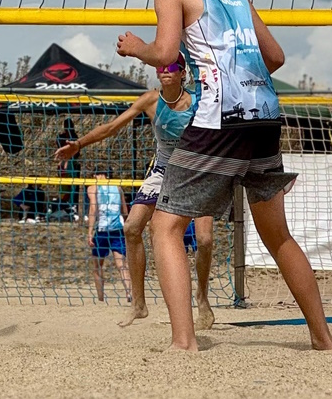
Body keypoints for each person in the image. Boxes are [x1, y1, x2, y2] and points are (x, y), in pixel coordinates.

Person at [116, 0, 332, 352]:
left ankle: (183, 342)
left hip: (221, 117)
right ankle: (323, 339)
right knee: (278, 235)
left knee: (165, 227)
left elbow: (165, 54)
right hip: (266, 114)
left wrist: (136, 47)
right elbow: (275, 57)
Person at [56, 53, 216, 329]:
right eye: (161, 66)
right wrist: (78, 144)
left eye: (172, 67)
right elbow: (111, 128)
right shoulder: (151, 100)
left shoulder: (198, 101)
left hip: (197, 170)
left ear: (182, 73)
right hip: (163, 169)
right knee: (131, 228)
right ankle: (139, 305)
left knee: (204, 239)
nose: (165, 70)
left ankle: (202, 299)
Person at [87, 169, 131, 303]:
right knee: (121, 264)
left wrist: (89, 232)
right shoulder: (117, 187)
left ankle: (100, 299)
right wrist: (128, 227)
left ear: (96, 175)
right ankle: (129, 293)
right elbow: (124, 210)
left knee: (97, 266)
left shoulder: (92, 188)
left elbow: (93, 209)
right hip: (117, 229)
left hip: (102, 231)